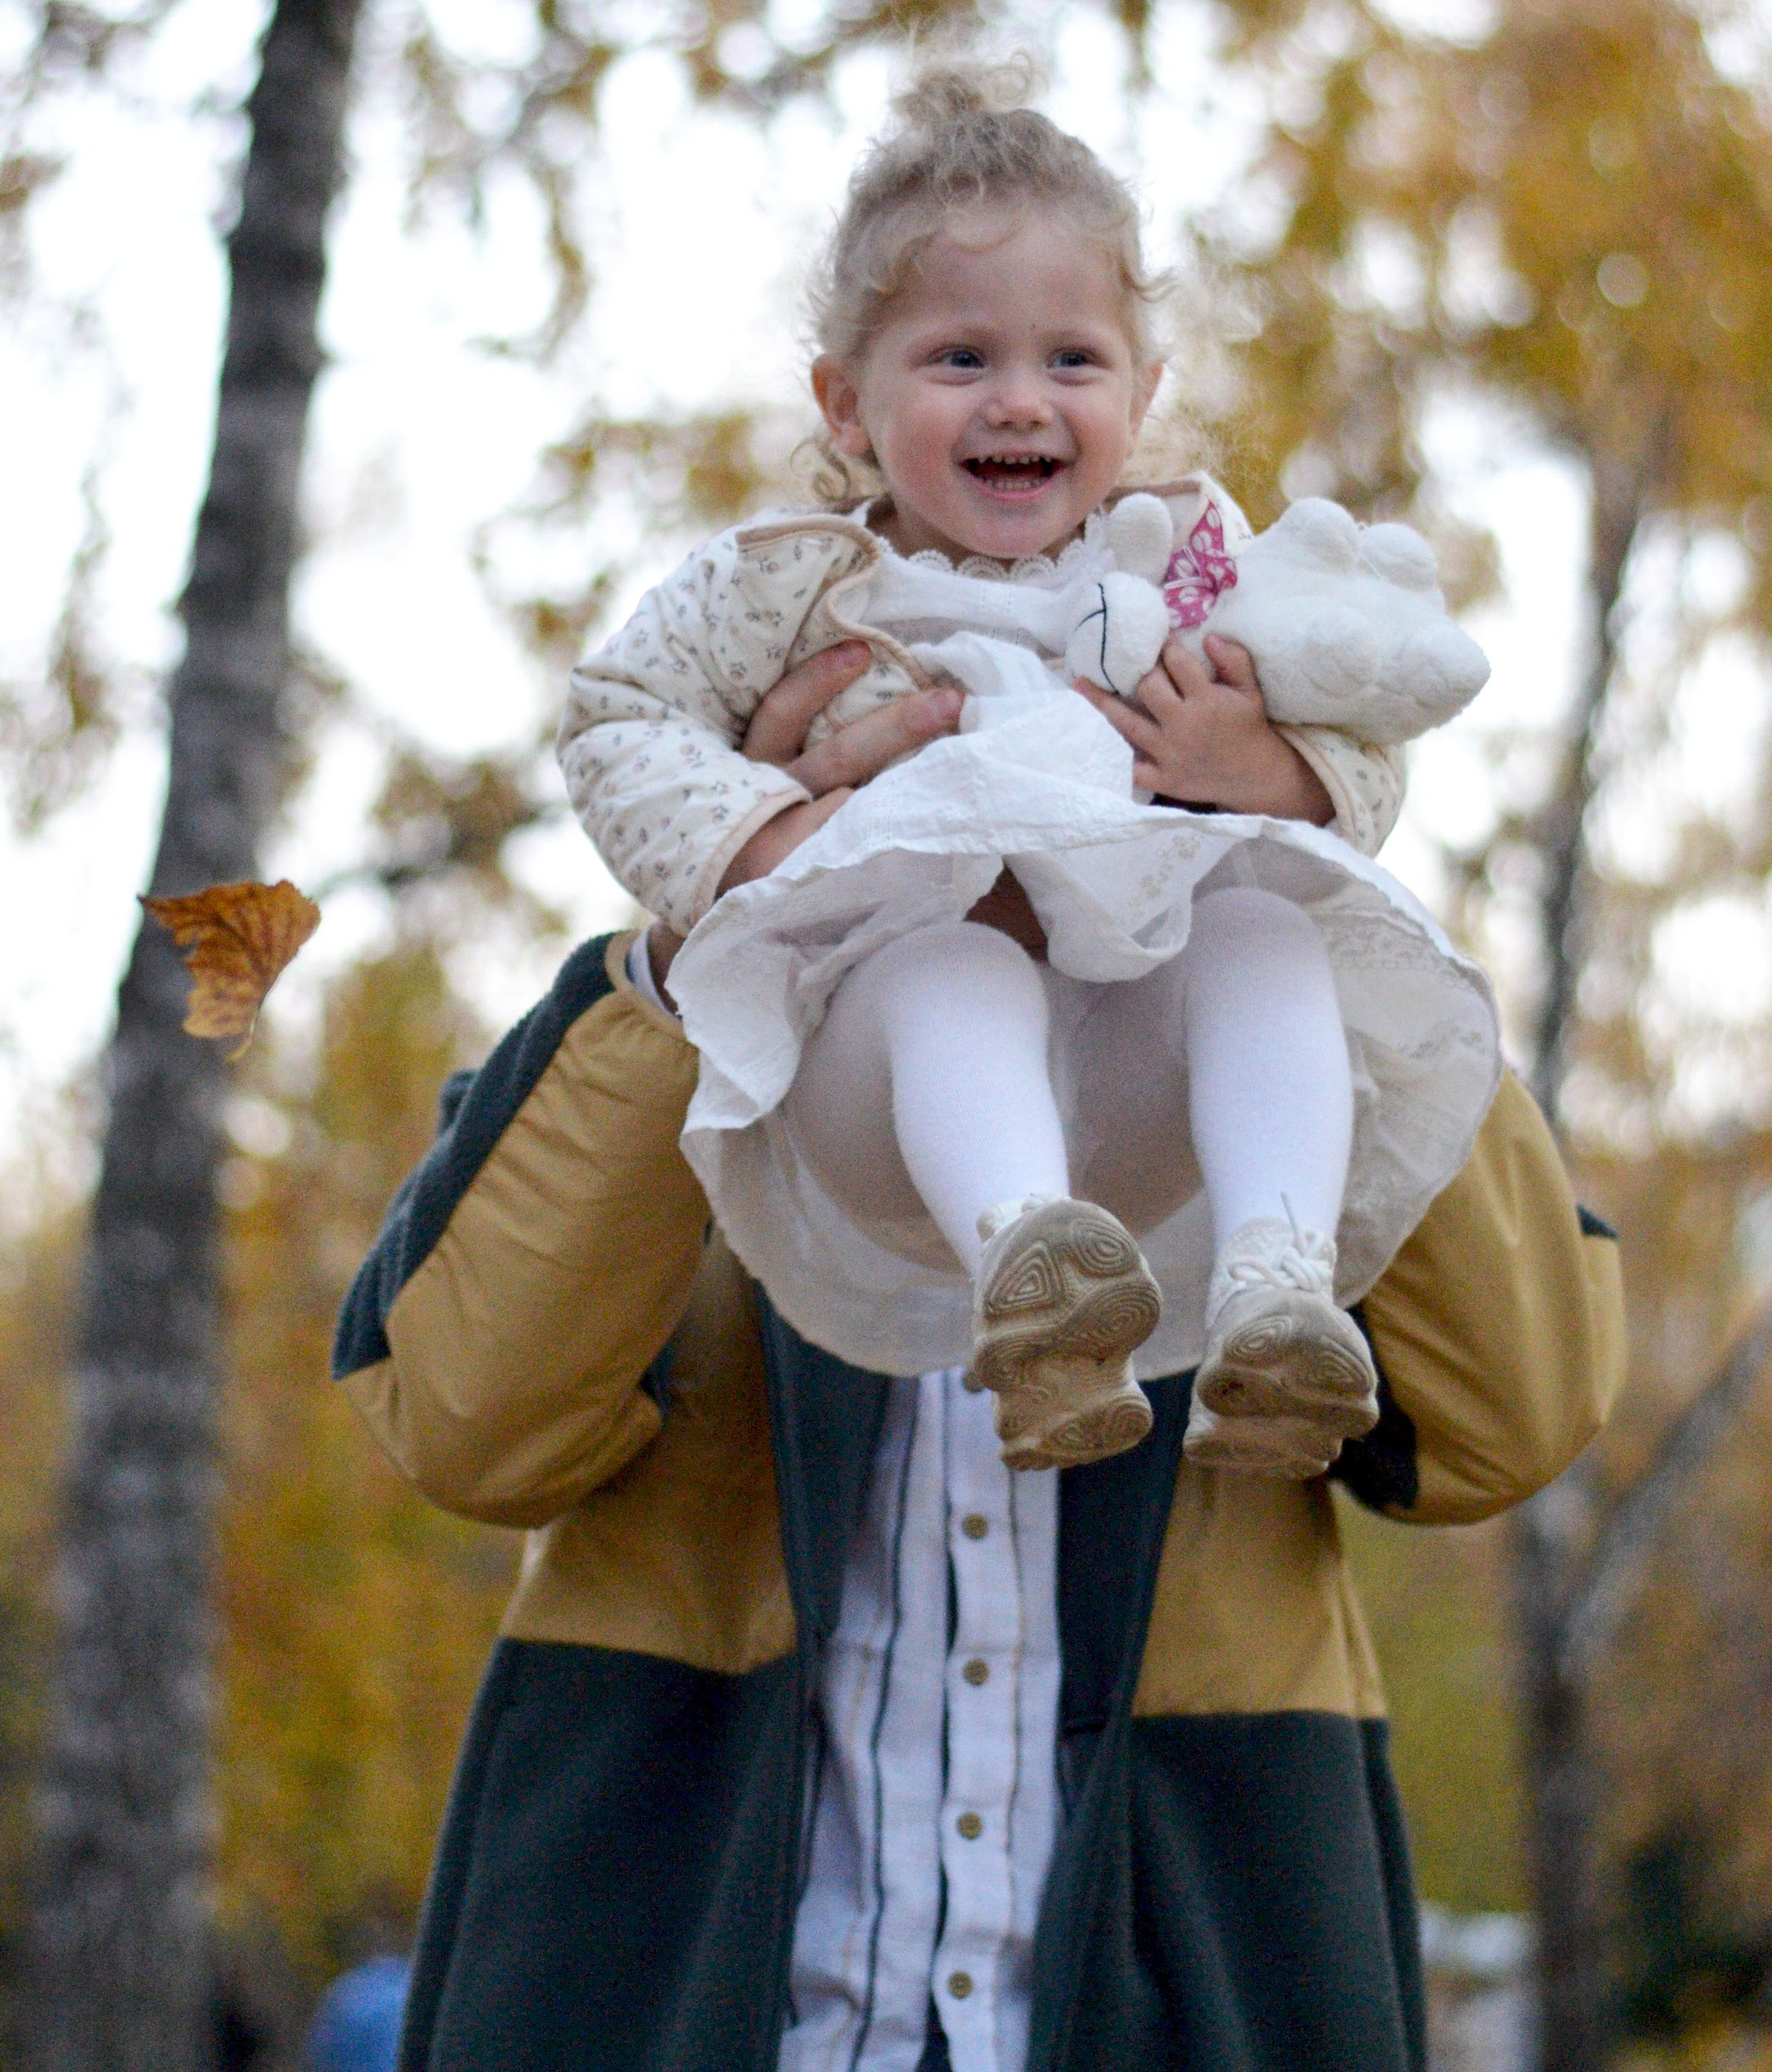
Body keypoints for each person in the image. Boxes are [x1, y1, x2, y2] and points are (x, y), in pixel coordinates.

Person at [333, 643, 1625, 2072]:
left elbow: (1513, 1418)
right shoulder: (667, 1057)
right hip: (682, 2002)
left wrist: (1306, 875)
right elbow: (464, 1423)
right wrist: (715, 928)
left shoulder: (1259, 1079)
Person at [557, 66, 1499, 1479]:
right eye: (959, 359)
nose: (1021, 400)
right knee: (955, 972)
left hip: (1134, 1082)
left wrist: (1272, 771)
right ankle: (1035, 1294)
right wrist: (756, 839)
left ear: (1145, 390)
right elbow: (615, 712)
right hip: (889, 1101)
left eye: (1072, 360)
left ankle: (1276, 1284)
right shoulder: (794, 586)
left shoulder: (1191, 566)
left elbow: (1360, 756)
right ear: (845, 405)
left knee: (1260, 927)